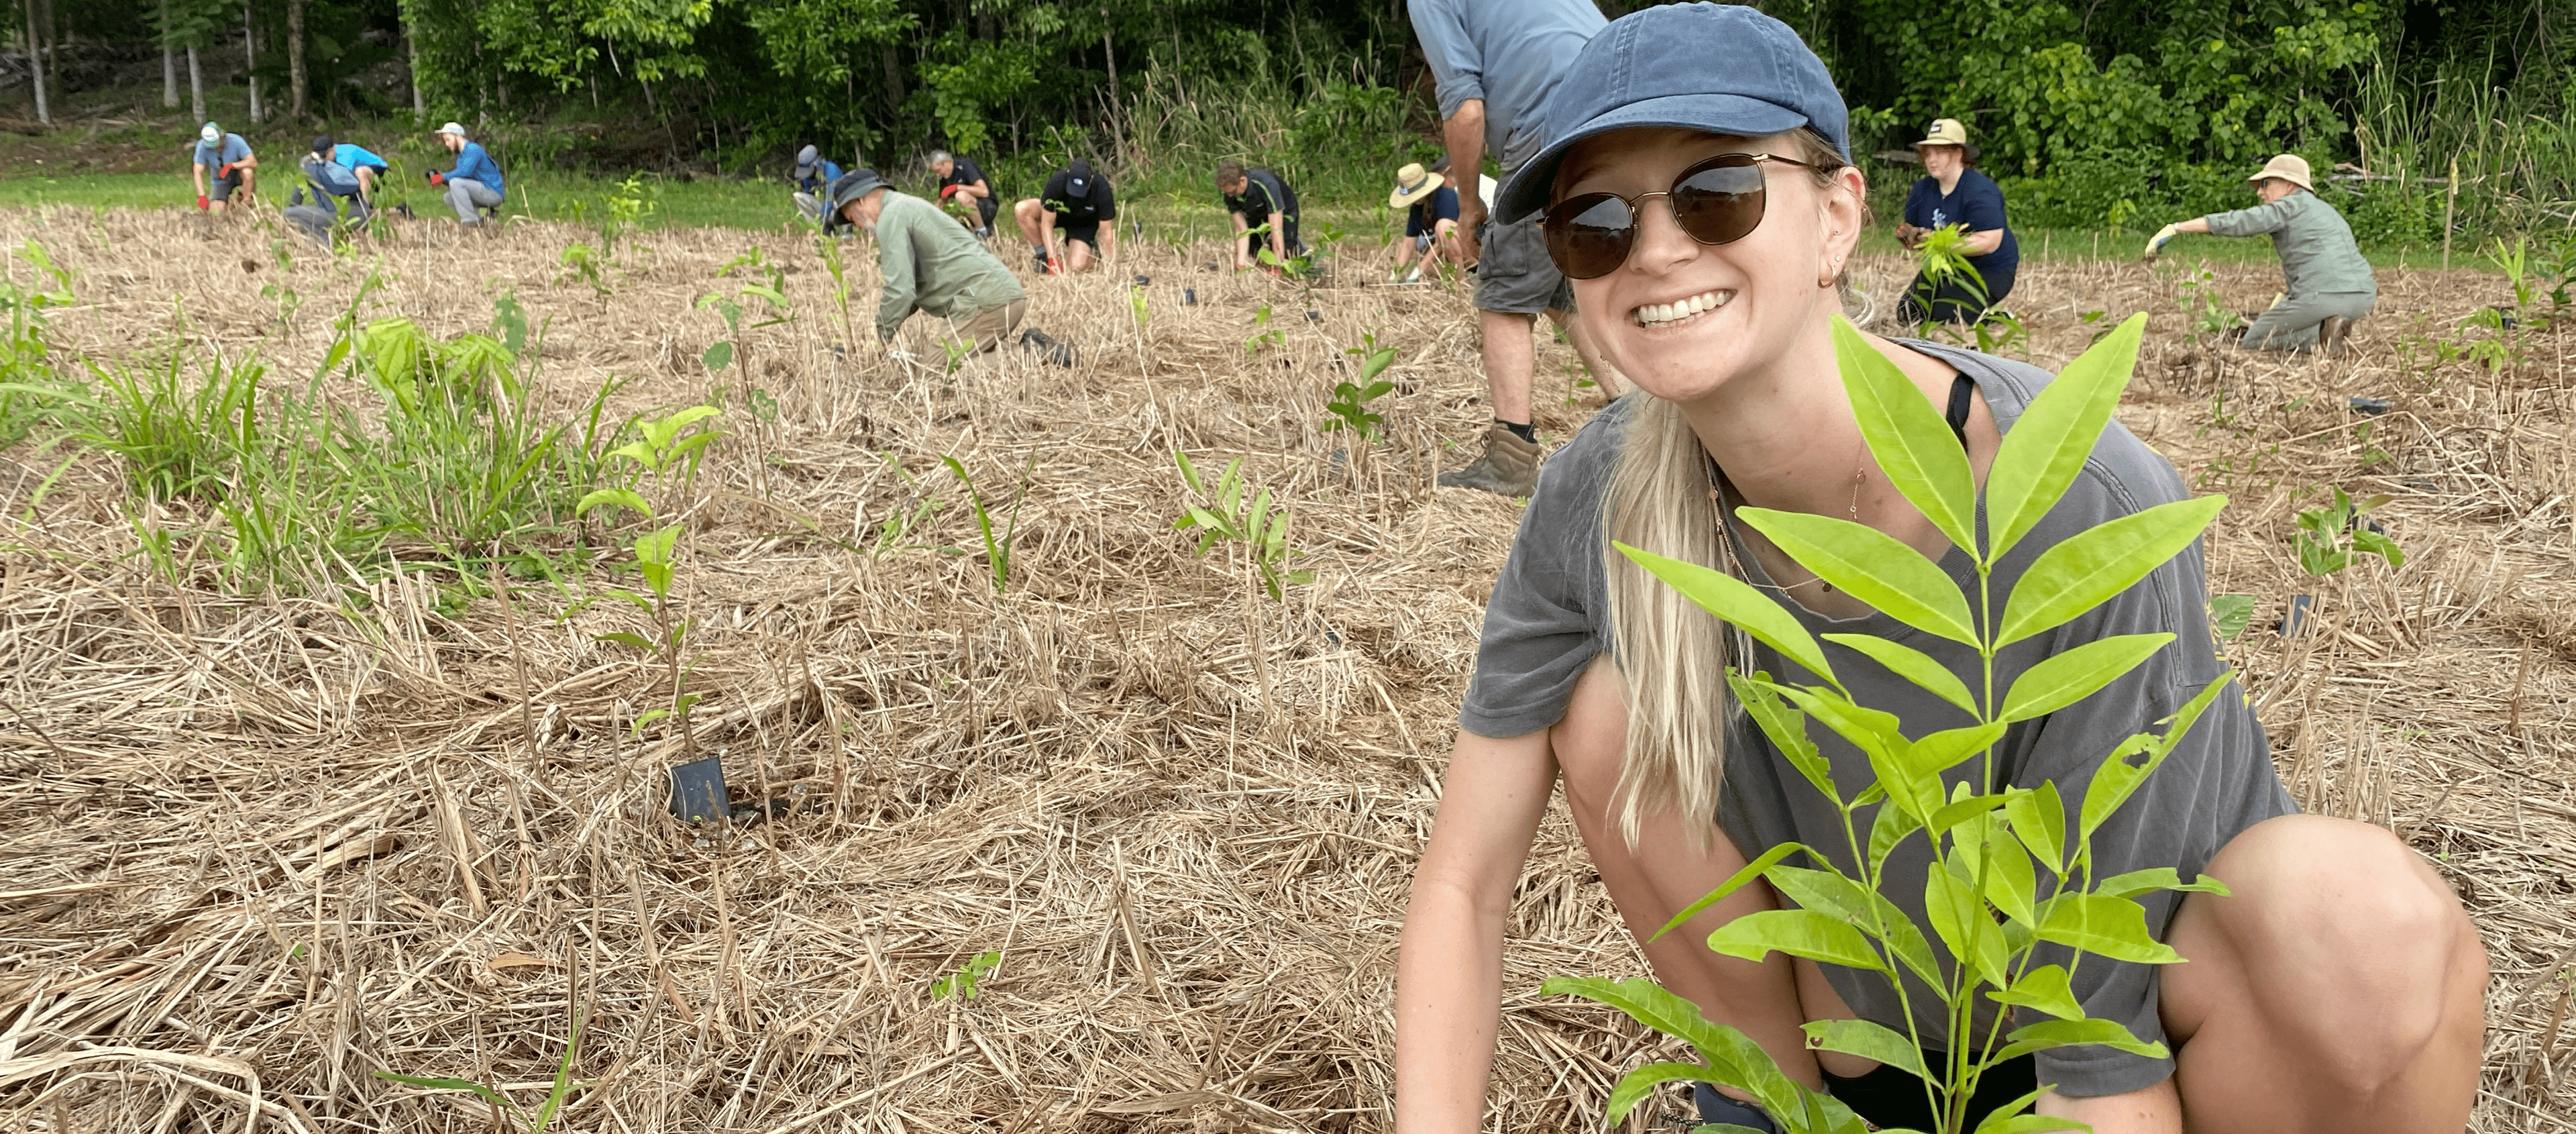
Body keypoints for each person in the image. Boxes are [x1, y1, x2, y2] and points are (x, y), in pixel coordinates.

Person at [1397, 7, 2483, 1134]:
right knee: (1602, 706)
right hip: (1871, 1027)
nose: (1657, 248)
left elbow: (2097, 1063)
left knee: (2361, 924)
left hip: (2147, 1018)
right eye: (1597, 221)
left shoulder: (2075, 499)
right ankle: (1775, 1108)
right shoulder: (1597, 494)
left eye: (1718, 189)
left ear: (1837, 218)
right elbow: (1463, 889)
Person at [1411, 0, 1623, 497]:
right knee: (1562, 280)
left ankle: (1510, 460)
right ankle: (1638, 412)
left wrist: (1468, 205)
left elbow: (1465, 110)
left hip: (1548, 121)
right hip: (1622, 107)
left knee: (1505, 294)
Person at [823, 169, 1065, 363]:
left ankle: (1032, 354)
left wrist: (878, 340)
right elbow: (912, 293)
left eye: (851, 216)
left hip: (983, 303)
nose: (855, 225)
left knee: (936, 376)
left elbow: (901, 290)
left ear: (862, 200)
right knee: (950, 362)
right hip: (1001, 297)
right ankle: (1027, 349)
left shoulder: (891, 216)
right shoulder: (907, 206)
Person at [2147, 155, 2375, 354]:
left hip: (2323, 297)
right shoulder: (2328, 211)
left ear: (2288, 184)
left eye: (2265, 183)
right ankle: (2333, 326)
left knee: (2255, 339)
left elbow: (2240, 221)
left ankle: (2320, 338)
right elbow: (2321, 262)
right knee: (2285, 317)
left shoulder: (2289, 206)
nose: (2260, 192)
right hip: (2363, 298)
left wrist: (2176, 228)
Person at [1892, 117, 2018, 325]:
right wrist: (1909, 237)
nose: (1932, 160)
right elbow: (1916, 235)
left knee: (1948, 316)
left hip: (1989, 268)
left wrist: (1942, 243)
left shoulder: (1980, 190)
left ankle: (1997, 317)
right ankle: (1970, 310)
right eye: (1928, 153)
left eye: (1940, 153)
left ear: (1959, 153)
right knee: (1908, 314)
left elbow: (1990, 241)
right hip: (1947, 266)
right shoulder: (1922, 190)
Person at [1012, 158, 1118, 274]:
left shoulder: (1102, 188)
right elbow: (1046, 223)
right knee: (1022, 209)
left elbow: (1106, 233)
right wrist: (1052, 258)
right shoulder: (1057, 181)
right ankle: (1043, 257)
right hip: (1060, 213)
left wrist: (1110, 265)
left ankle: (1090, 251)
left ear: (1091, 181)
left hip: (1084, 223)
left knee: (1076, 266)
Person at [1218, 162, 1302, 270]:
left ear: (1242, 181)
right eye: (1226, 192)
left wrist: (1276, 269)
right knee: (1252, 253)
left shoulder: (1267, 184)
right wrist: (1240, 265)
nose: (1230, 196)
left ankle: (1300, 249)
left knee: (1287, 253)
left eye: (1233, 192)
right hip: (1255, 211)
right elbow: (1241, 229)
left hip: (1284, 210)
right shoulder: (1229, 192)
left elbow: (1276, 229)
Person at [1389, 160, 1460, 282]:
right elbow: (1408, 243)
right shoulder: (1417, 207)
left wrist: (1417, 273)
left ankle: (1461, 279)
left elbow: (1443, 241)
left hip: (1463, 247)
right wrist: (1395, 275)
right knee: (1422, 246)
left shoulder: (1446, 197)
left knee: (1443, 228)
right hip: (1441, 249)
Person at [429, 122, 506, 231]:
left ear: (457, 136)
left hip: (493, 193)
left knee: (455, 183)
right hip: (482, 191)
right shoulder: (461, 155)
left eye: (448, 139)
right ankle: (480, 219)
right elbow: (464, 178)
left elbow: (465, 173)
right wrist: (442, 181)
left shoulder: (472, 149)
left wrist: (442, 177)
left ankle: (471, 222)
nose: (446, 144)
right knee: (448, 197)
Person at [189, 122, 258, 217]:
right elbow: (197, 171)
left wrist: (231, 166)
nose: (214, 147)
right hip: (220, 180)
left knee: (247, 172)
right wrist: (201, 195)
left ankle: (246, 204)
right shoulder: (201, 146)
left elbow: (253, 162)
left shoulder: (236, 140)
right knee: (216, 212)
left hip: (239, 174)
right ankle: (229, 206)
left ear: (222, 137)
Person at [929, 150, 998, 238]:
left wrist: (957, 187)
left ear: (946, 163)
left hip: (987, 206)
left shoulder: (965, 165)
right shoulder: (944, 179)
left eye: (938, 170)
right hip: (964, 213)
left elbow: (984, 192)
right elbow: (942, 201)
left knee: (961, 196)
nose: (938, 175)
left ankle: (982, 232)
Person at [310, 134, 390, 207]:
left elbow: (347, 178)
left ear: (332, 151)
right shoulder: (329, 157)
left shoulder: (346, 154)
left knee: (360, 172)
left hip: (381, 171)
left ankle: (368, 207)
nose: (322, 159)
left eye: (324, 156)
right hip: (356, 176)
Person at [792, 144, 845, 223]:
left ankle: (828, 224)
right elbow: (808, 195)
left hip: (838, 208)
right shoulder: (807, 177)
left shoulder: (831, 170)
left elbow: (831, 199)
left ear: (815, 163)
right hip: (823, 206)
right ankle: (814, 224)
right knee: (798, 196)